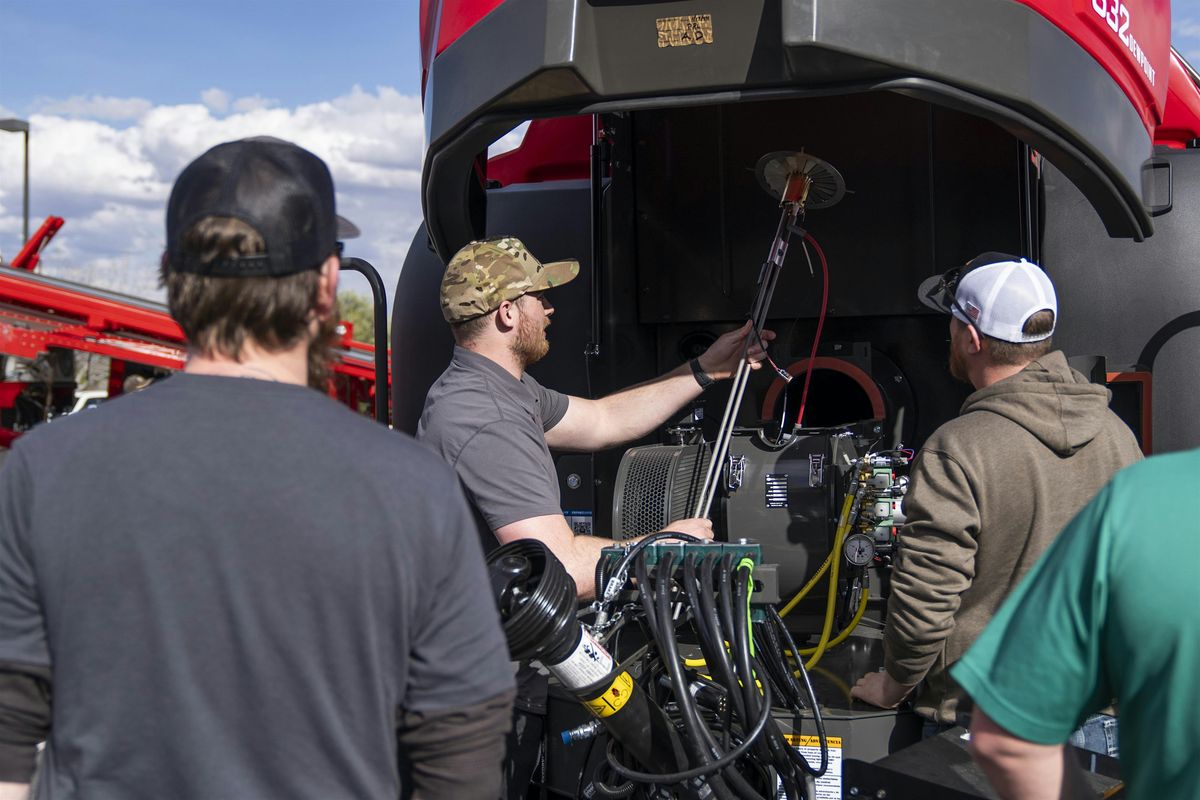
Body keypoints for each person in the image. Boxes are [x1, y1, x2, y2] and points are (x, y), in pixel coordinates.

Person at [0, 138, 515, 800]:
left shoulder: (43, 472)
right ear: (327, 286)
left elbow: (10, 734)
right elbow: (460, 755)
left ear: (173, 276)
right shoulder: (417, 490)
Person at [417, 235, 773, 798]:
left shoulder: (506, 391)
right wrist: (659, 544)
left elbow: (604, 420)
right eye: (541, 297)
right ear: (509, 312)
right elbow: (556, 572)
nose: (551, 308)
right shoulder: (482, 417)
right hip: (496, 697)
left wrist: (706, 369)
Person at [850, 253, 1141, 735]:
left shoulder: (959, 447)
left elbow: (927, 595)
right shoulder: (1116, 434)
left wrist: (896, 683)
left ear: (972, 337)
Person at [952, 451, 1200, 800]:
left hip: (1021, 691)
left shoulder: (1145, 496)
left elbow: (1008, 744)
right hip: (1103, 715)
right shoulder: (1119, 435)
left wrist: (899, 678)